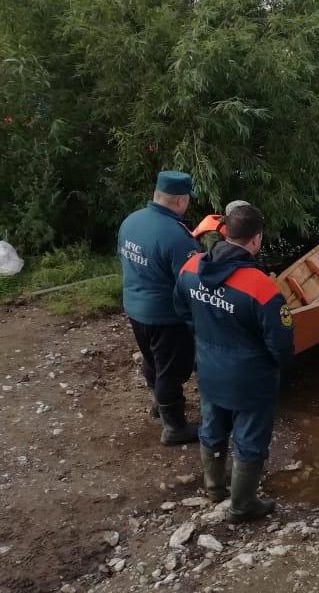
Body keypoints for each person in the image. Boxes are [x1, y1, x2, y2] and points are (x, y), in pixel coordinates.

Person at [173, 204, 294, 522]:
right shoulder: (261, 288)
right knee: (250, 438)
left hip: (210, 369)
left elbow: (182, 310)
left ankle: (214, 489)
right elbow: (280, 343)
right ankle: (242, 505)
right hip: (251, 379)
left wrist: (206, 339)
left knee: (212, 427)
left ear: (225, 232)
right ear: (256, 240)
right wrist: (277, 366)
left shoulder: (191, 267)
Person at [118, 170, 200, 445]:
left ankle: (159, 404)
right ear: (179, 202)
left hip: (134, 307)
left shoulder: (131, 221)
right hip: (165, 316)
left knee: (151, 359)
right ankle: (175, 428)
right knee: (171, 370)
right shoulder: (177, 236)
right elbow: (190, 281)